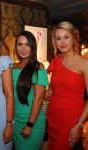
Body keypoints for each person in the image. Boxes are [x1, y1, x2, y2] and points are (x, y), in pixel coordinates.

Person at [45, 21, 88, 150]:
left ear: (73, 38)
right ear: (54, 42)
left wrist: (79, 125)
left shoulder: (84, 64)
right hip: (53, 117)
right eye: (58, 38)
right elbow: (53, 90)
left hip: (72, 120)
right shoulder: (55, 62)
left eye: (66, 37)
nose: (62, 42)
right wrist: (34, 96)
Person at [12, 31, 49, 150]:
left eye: (27, 45)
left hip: (33, 121)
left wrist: (29, 125)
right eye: (20, 44)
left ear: (32, 47)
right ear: (16, 47)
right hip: (16, 121)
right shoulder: (12, 67)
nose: (23, 48)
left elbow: (38, 99)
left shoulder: (39, 68)